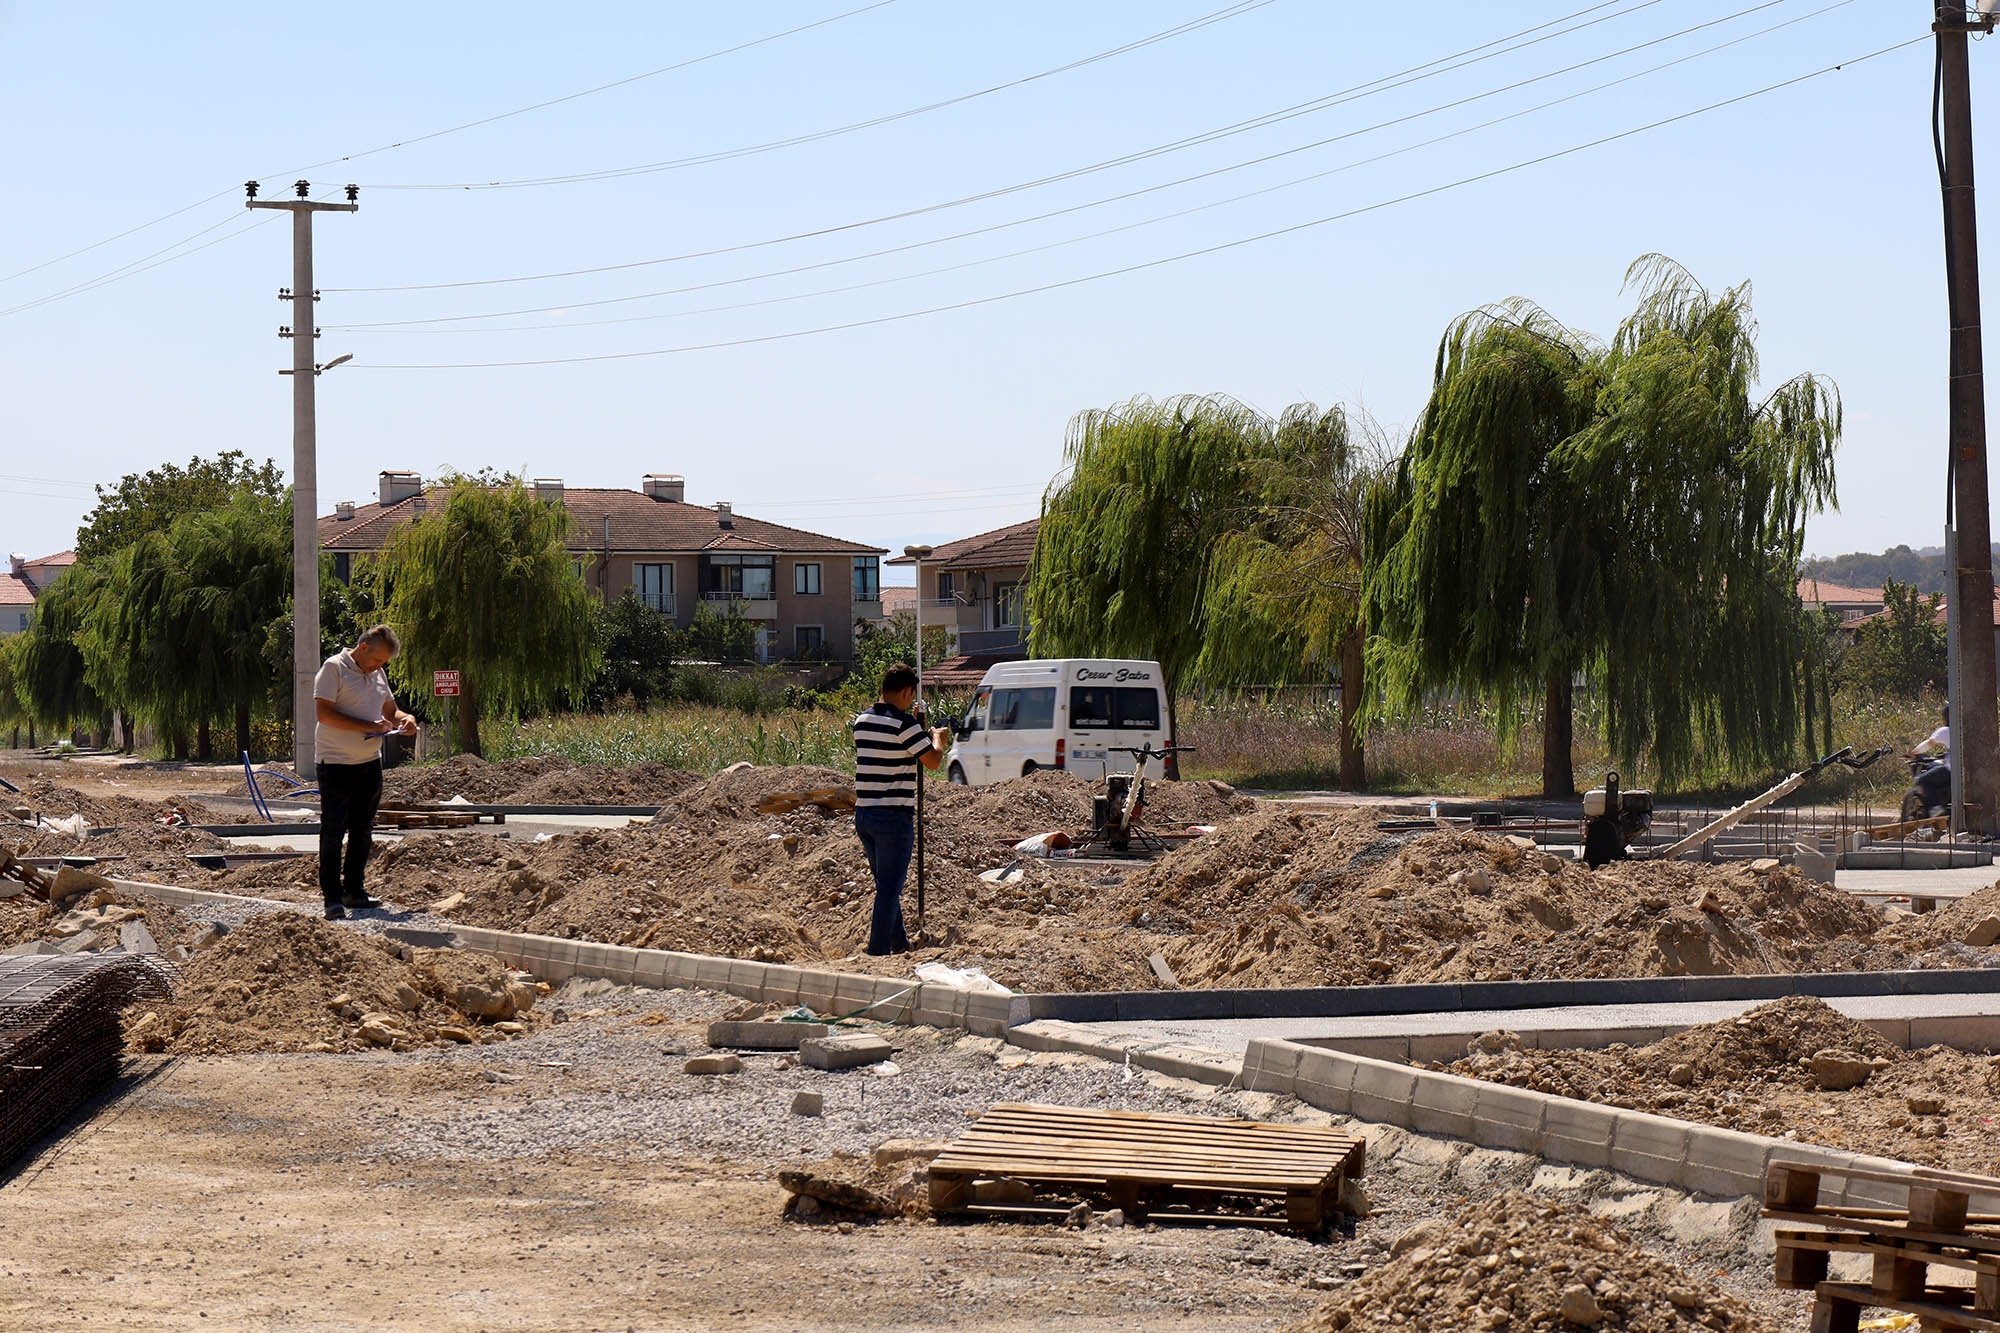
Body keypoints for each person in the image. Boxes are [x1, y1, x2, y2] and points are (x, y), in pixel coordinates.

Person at [314, 625, 418, 919]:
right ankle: (332, 898)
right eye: (377, 660)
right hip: (335, 763)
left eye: (383, 663)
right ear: (363, 649)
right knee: (333, 831)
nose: (379, 666)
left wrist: (406, 718)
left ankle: (354, 891)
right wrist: (367, 727)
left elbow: (390, 712)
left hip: (369, 762)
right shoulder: (333, 668)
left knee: (362, 829)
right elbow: (324, 713)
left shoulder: (377, 674)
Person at [851, 662, 950, 956]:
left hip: (865, 814)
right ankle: (878, 951)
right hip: (893, 817)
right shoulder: (904, 726)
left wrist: (914, 728)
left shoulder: (861, 721)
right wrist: (937, 739)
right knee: (889, 889)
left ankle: (898, 942)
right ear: (907, 692)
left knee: (885, 884)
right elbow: (932, 761)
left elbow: (893, 746)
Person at [1911, 703, 1952, 814]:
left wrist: (1914, 752)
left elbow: (1929, 743)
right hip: (1966, 772)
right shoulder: (1966, 729)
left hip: (1950, 770)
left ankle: (1935, 807)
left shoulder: (1946, 730)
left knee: (1922, 780)